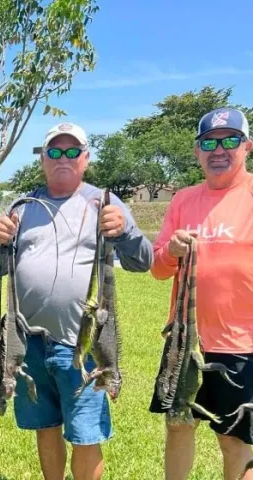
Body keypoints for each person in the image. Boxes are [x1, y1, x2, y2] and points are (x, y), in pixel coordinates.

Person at [0, 122, 152, 480]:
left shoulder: (103, 202)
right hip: (27, 342)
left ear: (86, 158)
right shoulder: (22, 206)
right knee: (45, 427)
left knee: (85, 434)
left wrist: (125, 231)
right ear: (43, 158)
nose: (64, 158)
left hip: (82, 343)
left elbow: (143, 261)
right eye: (55, 152)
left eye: (72, 151)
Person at [149, 107, 253, 480]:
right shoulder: (183, 200)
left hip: (241, 343)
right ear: (197, 152)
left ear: (247, 146)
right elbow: (159, 269)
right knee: (178, 426)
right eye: (209, 142)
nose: (219, 149)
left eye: (230, 140)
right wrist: (171, 252)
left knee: (234, 439)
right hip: (184, 340)